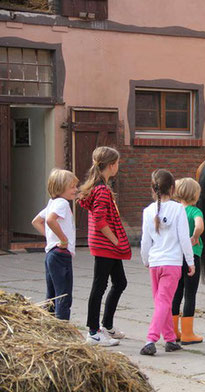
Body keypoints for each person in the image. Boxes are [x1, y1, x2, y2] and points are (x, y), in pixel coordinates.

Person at [79, 146, 131, 346]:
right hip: (105, 246)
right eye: (117, 163)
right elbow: (100, 221)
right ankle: (93, 332)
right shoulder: (101, 191)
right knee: (99, 286)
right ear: (111, 165)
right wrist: (116, 240)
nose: (118, 166)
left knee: (120, 282)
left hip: (106, 246)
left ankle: (107, 325)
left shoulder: (100, 187)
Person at [140, 169, 196, 356]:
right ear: (172, 188)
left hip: (154, 263)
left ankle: (170, 339)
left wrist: (145, 259)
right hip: (172, 263)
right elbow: (184, 238)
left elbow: (145, 241)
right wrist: (190, 261)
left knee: (160, 303)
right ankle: (151, 339)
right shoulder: (178, 209)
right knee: (164, 302)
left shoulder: (147, 211)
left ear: (152, 188)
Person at [31, 169, 79, 321]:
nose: (75, 190)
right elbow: (51, 220)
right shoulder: (62, 203)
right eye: (72, 187)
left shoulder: (52, 203)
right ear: (60, 187)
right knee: (63, 295)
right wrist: (63, 239)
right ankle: (62, 325)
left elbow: (36, 221)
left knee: (51, 294)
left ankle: (50, 324)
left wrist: (51, 238)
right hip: (61, 254)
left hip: (51, 253)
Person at [171, 177, 204, 345]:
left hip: (176, 257)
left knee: (176, 293)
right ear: (195, 195)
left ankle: (173, 331)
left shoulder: (175, 210)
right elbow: (199, 226)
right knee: (189, 294)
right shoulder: (195, 212)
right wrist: (195, 237)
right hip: (192, 256)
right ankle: (188, 333)